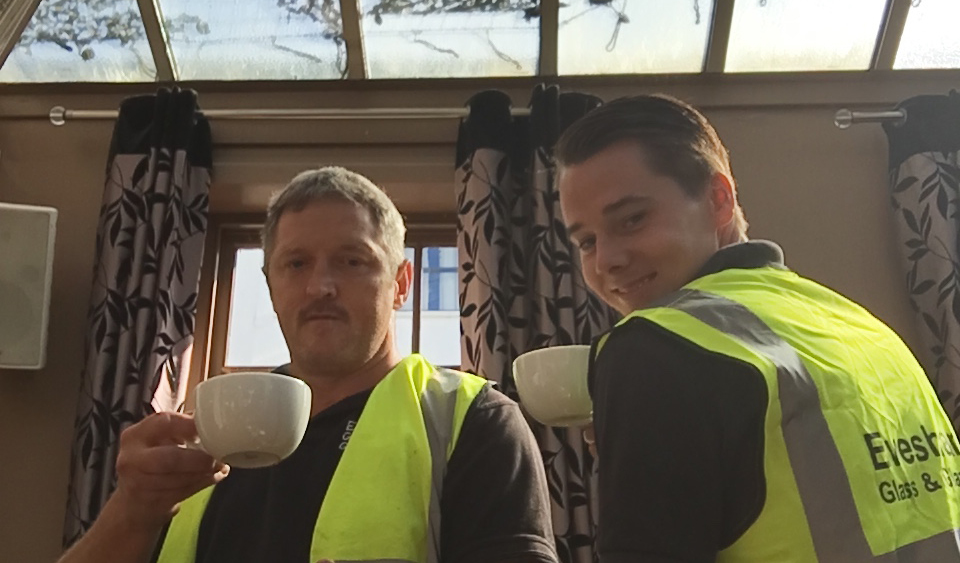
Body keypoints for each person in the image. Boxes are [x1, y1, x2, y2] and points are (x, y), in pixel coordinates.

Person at [59, 167, 559, 563]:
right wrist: (131, 509)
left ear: (402, 283)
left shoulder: (474, 422)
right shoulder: (207, 430)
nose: (321, 286)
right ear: (271, 283)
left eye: (351, 261)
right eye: (296, 264)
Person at [554, 94, 960, 562]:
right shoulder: (864, 328)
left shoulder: (652, 346)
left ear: (718, 199)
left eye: (632, 219)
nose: (607, 260)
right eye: (586, 241)